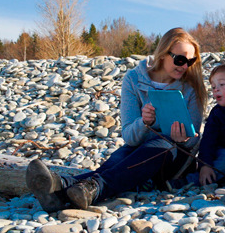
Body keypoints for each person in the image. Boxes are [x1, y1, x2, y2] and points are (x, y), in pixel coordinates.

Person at [25, 28, 207, 211]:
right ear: (162, 54)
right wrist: (144, 123)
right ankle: (61, 191)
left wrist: (181, 138)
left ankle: (81, 187)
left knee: (160, 147)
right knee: (119, 159)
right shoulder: (134, 79)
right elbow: (130, 137)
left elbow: (193, 138)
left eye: (190, 61)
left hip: (175, 158)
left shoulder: (191, 87)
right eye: (180, 60)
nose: (185, 66)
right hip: (138, 150)